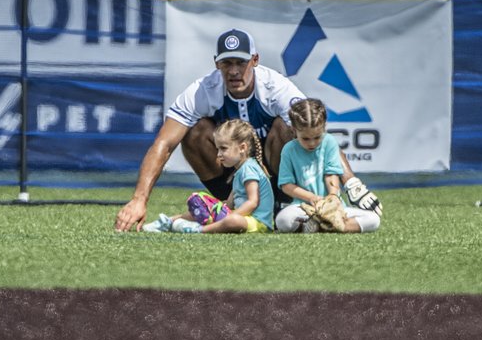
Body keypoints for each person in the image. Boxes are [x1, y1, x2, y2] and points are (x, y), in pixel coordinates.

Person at [114, 28, 380, 232]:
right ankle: (226, 206)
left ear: (255, 60)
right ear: (216, 63)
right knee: (193, 132)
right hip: (234, 183)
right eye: (226, 63)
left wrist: (351, 182)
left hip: (281, 179)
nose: (234, 71)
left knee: (285, 127)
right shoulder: (202, 91)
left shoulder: (275, 87)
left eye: (240, 62)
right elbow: (164, 143)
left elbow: (317, 133)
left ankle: (281, 203)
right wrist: (139, 200)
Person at [143, 119, 274, 234]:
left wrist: (230, 215)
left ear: (242, 148)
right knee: (207, 209)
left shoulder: (249, 169)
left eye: (223, 148)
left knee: (233, 220)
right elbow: (230, 202)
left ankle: (200, 230)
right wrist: (213, 207)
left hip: (257, 222)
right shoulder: (240, 170)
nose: (218, 154)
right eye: (218, 149)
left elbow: (252, 202)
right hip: (244, 217)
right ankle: (168, 222)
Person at [275, 98, 381, 233]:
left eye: (317, 137)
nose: (312, 143)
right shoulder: (288, 149)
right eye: (306, 138)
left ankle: (335, 224)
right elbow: (287, 186)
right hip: (303, 208)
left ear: (324, 127)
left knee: (373, 219)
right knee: (282, 220)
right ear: (294, 130)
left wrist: (332, 197)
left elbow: (331, 175)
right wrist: (312, 198)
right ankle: (316, 225)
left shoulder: (329, 142)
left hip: (333, 208)